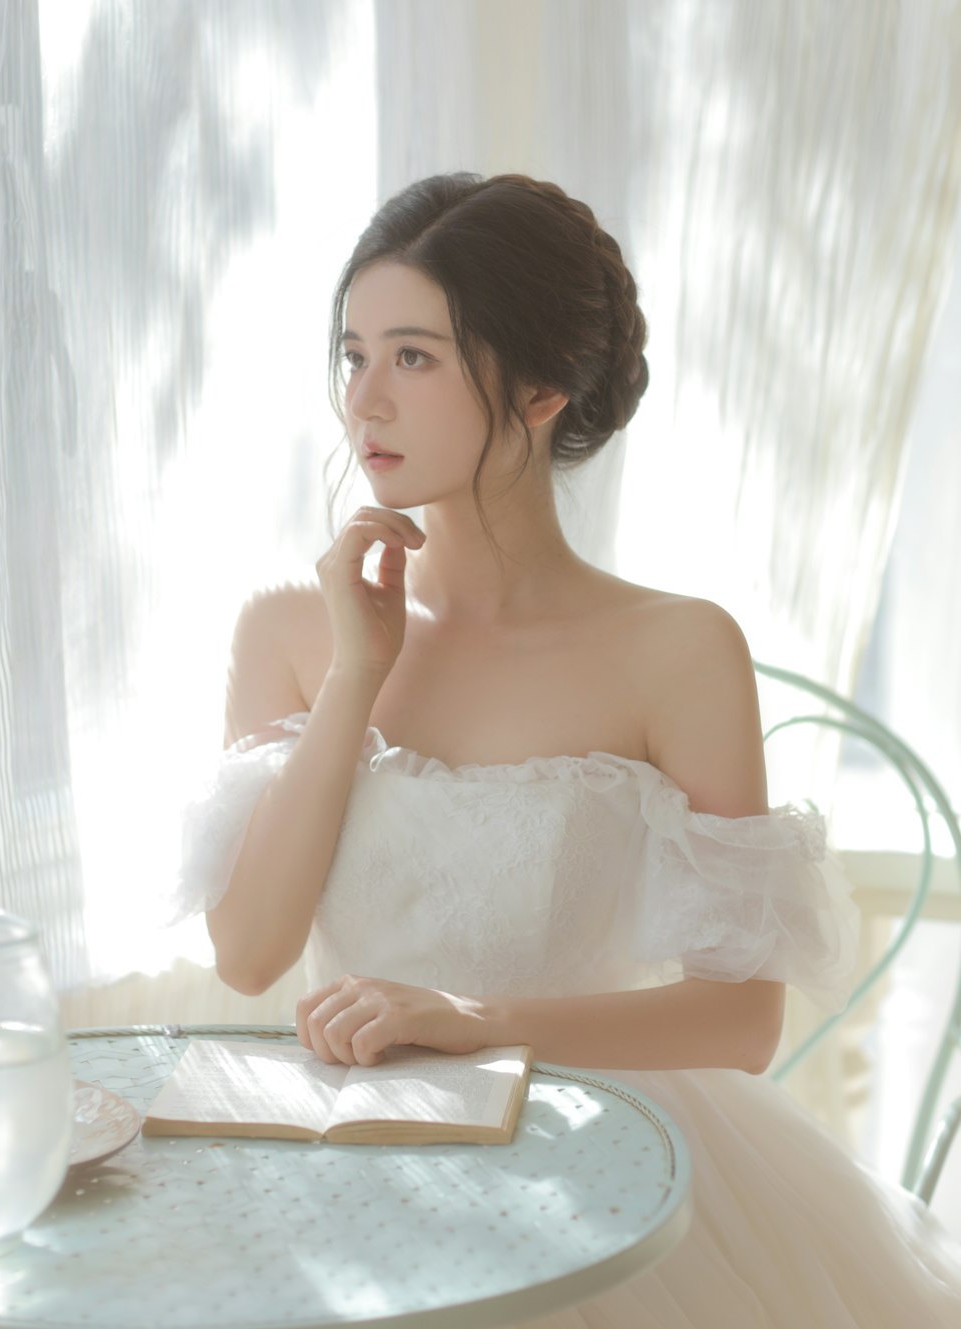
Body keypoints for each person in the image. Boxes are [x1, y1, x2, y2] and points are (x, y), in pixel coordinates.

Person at [177, 172, 961, 1326]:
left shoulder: (679, 649)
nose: (365, 404)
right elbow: (249, 953)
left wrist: (481, 1019)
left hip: (594, 1164)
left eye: (415, 357)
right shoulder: (293, 629)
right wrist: (357, 671)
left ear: (540, 388)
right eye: (352, 355)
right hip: (350, 1161)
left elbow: (738, 1022)